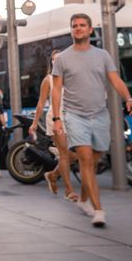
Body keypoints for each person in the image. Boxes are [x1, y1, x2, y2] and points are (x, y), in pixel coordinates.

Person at [52, 13, 132, 227]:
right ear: (72, 30)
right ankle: (99, 210)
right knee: (86, 159)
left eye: (82, 25)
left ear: (89, 30)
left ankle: (84, 199)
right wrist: (57, 118)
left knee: (94, 162)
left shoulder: (103, 55)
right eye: (74, 25)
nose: (78, 28)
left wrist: (128, 97)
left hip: (99, 115)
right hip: (74, 115)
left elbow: (115, 79)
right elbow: (57, 89)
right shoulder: (62, 59)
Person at [29, 50, 78, 201]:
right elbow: (41, 103)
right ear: (51, 63)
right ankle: (69, 191)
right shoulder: (48, 80)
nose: (56, 62)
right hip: (56, 118)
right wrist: (35, 123)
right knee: (64, 154)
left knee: (77, 155)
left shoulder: (72, 78)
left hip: (73, 118)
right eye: (53, 60)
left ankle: (52, 175)